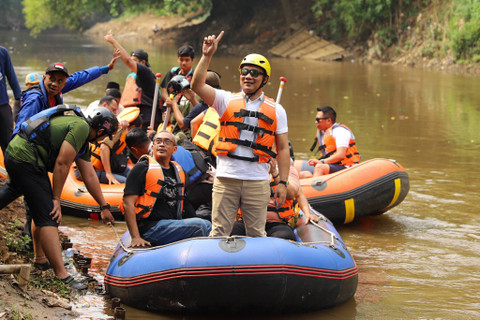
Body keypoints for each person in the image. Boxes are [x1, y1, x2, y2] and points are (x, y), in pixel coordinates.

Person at [0, 106, 117, 289]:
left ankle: (40, 259)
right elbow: (62, 163)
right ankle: (62, 275)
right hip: (26, 158)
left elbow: (90, 175)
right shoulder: (81, 128)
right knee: (49, 214)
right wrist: (56, 199)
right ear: (100, 131)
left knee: (14, 190)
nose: (102, 140)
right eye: (103, 136)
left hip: (17, 153)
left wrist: (104, 206)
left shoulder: (82, 140)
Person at [191, 31, 290, 237]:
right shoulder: (224, 100)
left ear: (264, 79)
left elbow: (282, 148)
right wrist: (207, 55)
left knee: (256, 233)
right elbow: (197, 85)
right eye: (245, 71)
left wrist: (282, 182)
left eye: (255, 73)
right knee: (219, 232)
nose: (248, 76)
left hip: (258, 181)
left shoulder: (277, 109)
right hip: (226, 178)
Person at [122, 130, 211, 247]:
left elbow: (185, 203)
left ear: (174, 149)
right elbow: (128, 203)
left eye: (167, 142)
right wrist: (136, 237)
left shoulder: (178, 171)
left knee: (206, 224)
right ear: (153, 147)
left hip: (172, 224)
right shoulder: (142, 168)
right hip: (151, 228)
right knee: (202, 225)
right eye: (158, 141)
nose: (162, 144)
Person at [13, 54, 120, 137]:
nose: (55, 84)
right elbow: (21, 128)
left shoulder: (57, 89)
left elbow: (80, 77)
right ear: (44, 78)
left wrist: (105, 69)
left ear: (64, 83)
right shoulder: (35, 99)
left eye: (60, 81)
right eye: (52, 79)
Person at [231, 157, 318, 240]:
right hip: (248, 222)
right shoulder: (248, 168)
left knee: (284, 236)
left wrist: (307, 214)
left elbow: (298, 194)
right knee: (232, 231)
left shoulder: (288, 170)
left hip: (277, 224)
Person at [104, 31, 161, 129]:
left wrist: (113, 41)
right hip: (134, 118)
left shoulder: (146, 73)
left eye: (135, 61)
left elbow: (127, 61)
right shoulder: (134, 76)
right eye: (132, 60)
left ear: (143, 62)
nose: (131, 64)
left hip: (146, 122)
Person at [300, 106, 360, 178]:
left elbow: (340, 155)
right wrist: (315, 160)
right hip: (332, 164)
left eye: (318, 119)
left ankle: (314, 188)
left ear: (328, 120)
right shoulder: (323, 132)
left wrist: (322, 162)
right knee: (303, 174)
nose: (315, 122)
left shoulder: (340, 131)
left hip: (347, 166)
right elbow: (324, 153)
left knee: (320, 167)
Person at [91, 107, 142, 184]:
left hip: (105, 167)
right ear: (133, 127)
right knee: (127, 183)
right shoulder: (119, 129)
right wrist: (109, 174)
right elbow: (104, 147)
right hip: (94, 170)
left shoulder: (124, 132)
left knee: (135, 178)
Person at [0, 46, 21, 155]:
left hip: (2, 105)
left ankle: (11, 168)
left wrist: (18, 97)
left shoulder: (2, 52)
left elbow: (11, 76)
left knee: (8, 140)